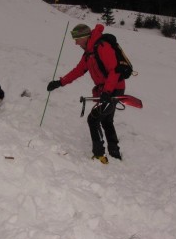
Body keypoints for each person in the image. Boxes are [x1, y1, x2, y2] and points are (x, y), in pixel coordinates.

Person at [47, 23, 125, 164]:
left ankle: (99, 155)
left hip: (113, 89)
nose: (76, 43)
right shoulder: (89, 53)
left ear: (85, 37)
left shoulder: (102, 47)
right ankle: (115, 154)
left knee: (93, 119)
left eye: (77, 39)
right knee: (106, 120)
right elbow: (78, 70)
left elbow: (115, 70)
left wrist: (107, 92)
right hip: (106, 90)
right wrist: (60, 82)